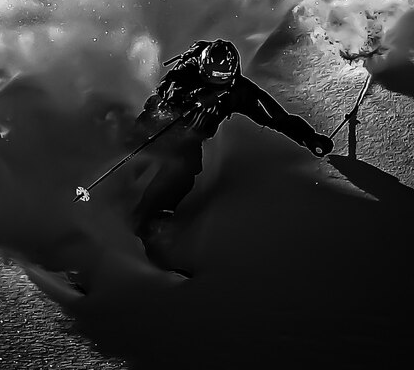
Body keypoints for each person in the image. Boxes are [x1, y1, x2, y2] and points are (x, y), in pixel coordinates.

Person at [131, 38, 334, 257]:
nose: (215, 82)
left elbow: (274, 116)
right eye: (210, 75)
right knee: (134, 146)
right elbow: (169, 86)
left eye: (222, 78)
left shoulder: (239, 91)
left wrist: (308, 137)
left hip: (189, 138)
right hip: (161, 121)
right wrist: (192, 97)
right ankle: (109, 182)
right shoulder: (189, 68)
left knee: (185, 169)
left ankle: (152, 219)